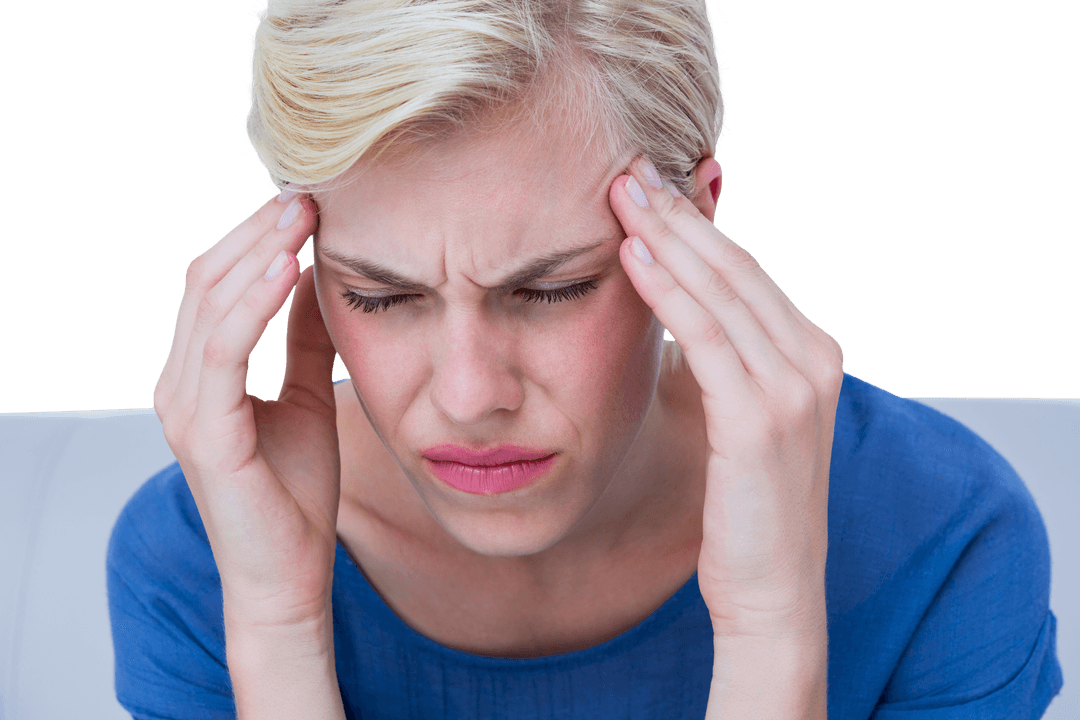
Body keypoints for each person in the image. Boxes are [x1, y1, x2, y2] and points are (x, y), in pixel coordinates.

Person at [106, 1, 1063, 718]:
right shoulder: (201, 557)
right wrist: (277, 631)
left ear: (695, 224)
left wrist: (772, 629)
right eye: (382, 296)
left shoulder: (940, 535)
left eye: (551, 289)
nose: (469, 396)